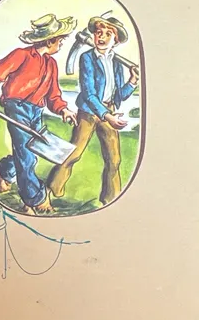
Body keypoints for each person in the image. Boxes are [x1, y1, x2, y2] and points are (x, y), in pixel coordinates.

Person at [0, 13, 78, 214]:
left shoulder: (51, 64)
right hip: (16, 107)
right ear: (49, 41)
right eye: (60, 40)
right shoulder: (20, 55)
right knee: (27, 155)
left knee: (29, 150)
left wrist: (63, 109)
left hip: (36, 111)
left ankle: (5, 172)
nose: (61, 44)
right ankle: (34, 199)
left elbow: (53, 94)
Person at [47, 13, 139, 207]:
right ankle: (52, 188)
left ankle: (111, 198)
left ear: (116, 40)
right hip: (89, 112)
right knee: (74, 153)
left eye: (107, 34)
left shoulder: (116, 63)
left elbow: (119, 95)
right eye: (98, 32)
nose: (101, 37)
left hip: (108, 110)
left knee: (114, 159)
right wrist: (107, 116)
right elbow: (89, 94)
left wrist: (132, 81)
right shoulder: (87, 58)